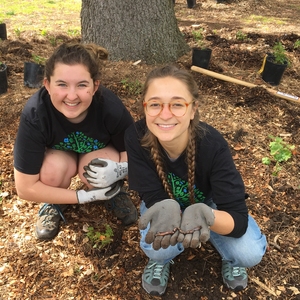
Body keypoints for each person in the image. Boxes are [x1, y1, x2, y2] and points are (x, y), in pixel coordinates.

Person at [124, 65, 267, 296]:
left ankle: (231, 259)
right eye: (155, 104)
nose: (165, 113)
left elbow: (238, 219)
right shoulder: (135, 137)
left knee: (248, 252)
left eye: (178, 104)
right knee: (156, 249)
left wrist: (206, 215)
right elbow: (151, 194)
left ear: (193, 109)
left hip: (209, 205)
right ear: (145, 108)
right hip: (164, 203)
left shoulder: (213, 146)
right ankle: (163, 260)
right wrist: (170, 210)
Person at [13, 43, 137, 241]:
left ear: (95, 86)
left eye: (81, 85)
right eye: (62, 84)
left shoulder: (111, 108)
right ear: (47, 84)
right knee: (50, 173)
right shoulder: (36, 114)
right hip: (60, 156)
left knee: (95, 170)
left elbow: (132, 152)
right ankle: (54, 202)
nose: (72, 96)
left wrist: (120, 171)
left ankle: (114, 192)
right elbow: (25, 187)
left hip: (99, 151)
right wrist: (82, 197)